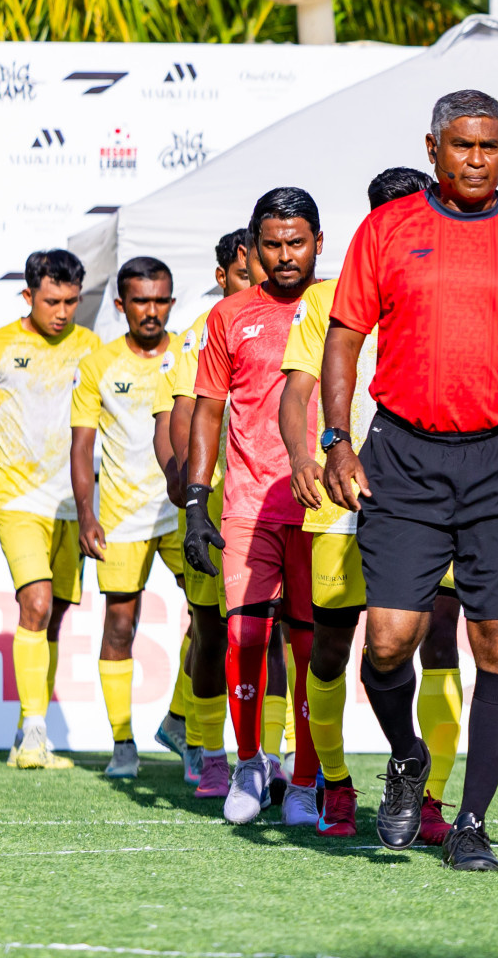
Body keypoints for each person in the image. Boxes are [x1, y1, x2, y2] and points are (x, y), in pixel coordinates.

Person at [322, 90, 498, 872]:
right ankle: (407, 757)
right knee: (387, 640)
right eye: (461, 146)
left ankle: (472, 820)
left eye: (490, 146)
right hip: (404, 457)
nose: (476, 159)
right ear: (433, 147)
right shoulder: (389, 228)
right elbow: (343, 339)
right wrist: (338, 441)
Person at [279, 165, 465, 842]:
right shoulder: (329, 300)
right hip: (339, 501)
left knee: (439, 642)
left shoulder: (451, 292)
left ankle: (432, 799)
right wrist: (306, 457)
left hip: (432, 497)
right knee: (329, 651)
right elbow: (296, 392)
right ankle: (336, 784)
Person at [185, 188, 324, 826]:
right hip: (246, 500)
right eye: (272, 243)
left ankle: (304, 779)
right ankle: (247, 762)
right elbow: (208, 409)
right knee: (244, 633)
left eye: (297, 242)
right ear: (253, 247)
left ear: (318, 243)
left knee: (311, 646)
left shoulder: (343, 308)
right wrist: (194, 502)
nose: (286, 255)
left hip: (325, 507)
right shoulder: (230, 316)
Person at [151, 228, 262, 795]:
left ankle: (272, 756)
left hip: (266, 503)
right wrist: (184, 482)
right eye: (245, 274)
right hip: (212, 503)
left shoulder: (289, 321)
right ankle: (206, 749)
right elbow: (180, 413)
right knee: (210, 632)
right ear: (224, 277)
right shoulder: (199, 335)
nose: (257, 282)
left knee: (270, 635)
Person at [0, 250, 99, 770]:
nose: (63, 312)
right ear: (28, 295)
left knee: (51, 621)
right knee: (35, 604)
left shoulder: (91, 347)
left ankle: (27, 732)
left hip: (73, 504)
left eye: (72, 301)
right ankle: (34, 735)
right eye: (52, 301)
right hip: (17, 499)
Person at [70, 257, 182, 779]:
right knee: (120, 622)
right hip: (119, 514)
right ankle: (122, 743)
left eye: (160, 300)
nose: (152, 311)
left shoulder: (187, 351)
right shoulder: (98, 365)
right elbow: (81, 445)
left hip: (181, 508)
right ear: (121, 306)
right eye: (141, 300)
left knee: (214, 620)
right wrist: (87, 515)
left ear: (172, 303)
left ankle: (184, 722)